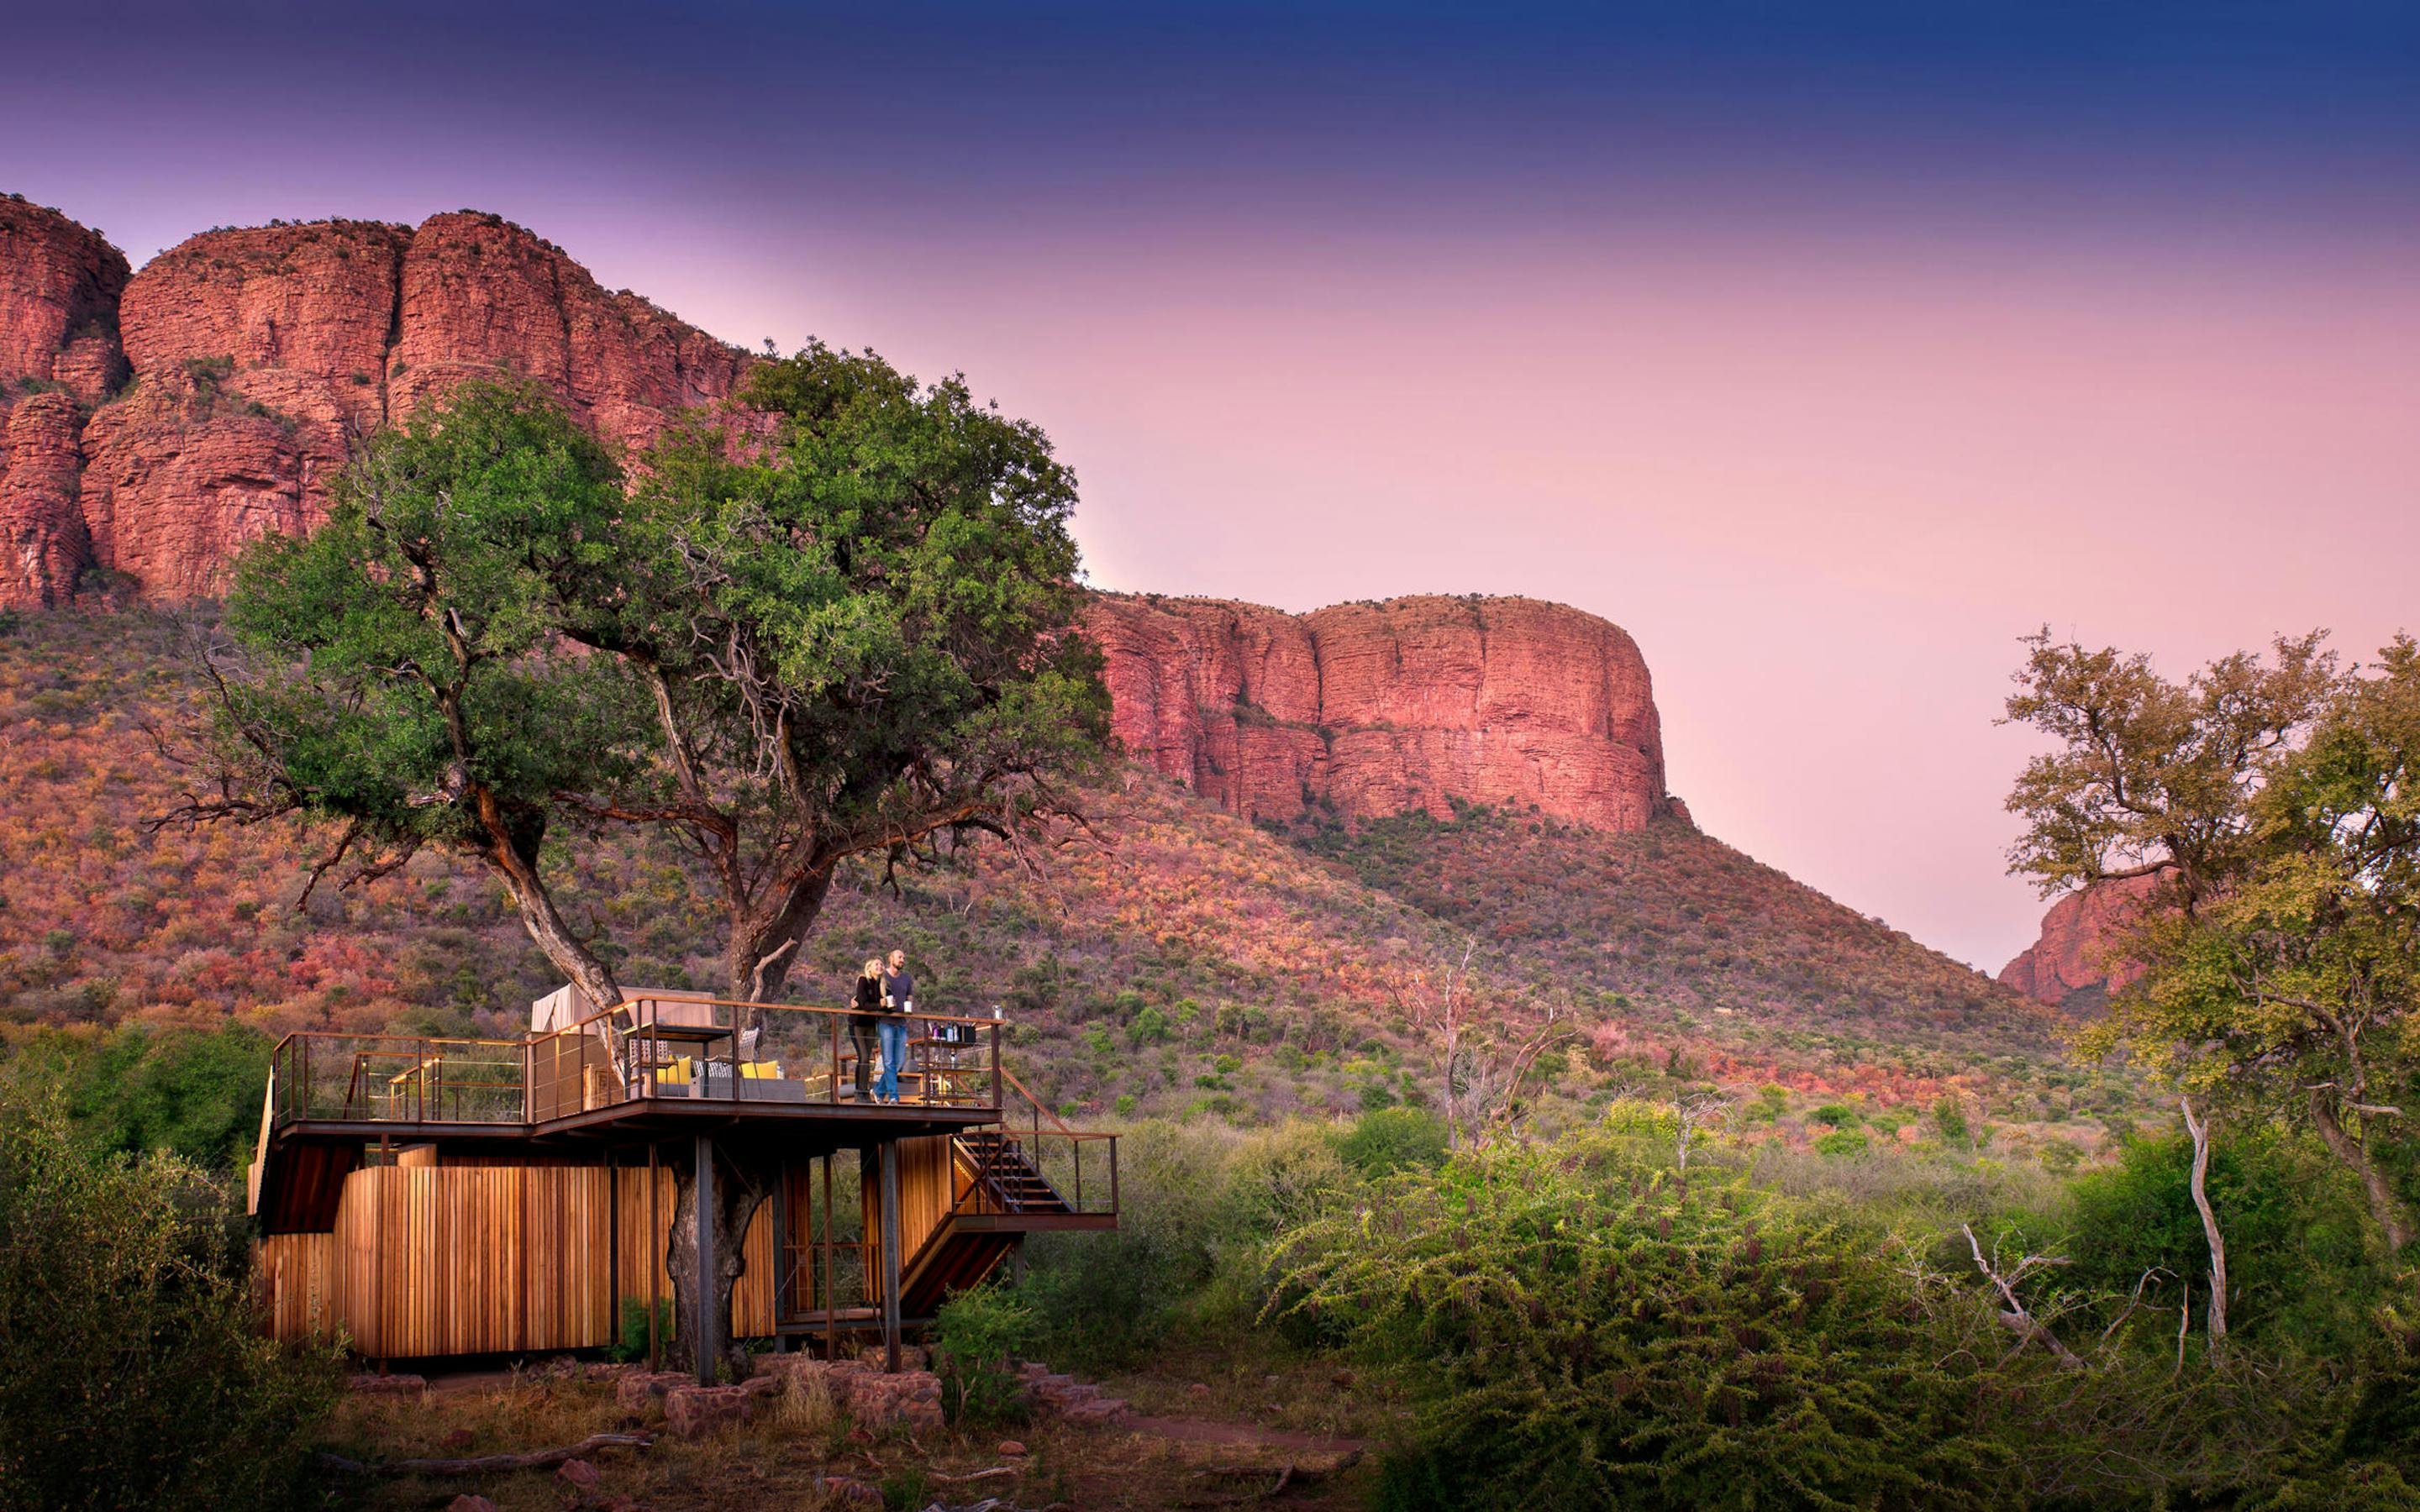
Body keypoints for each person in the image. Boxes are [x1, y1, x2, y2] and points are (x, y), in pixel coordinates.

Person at [878, 948, 916, 1105]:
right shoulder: (882, 976)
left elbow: (909, 996)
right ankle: (894, 1096)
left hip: (901, 1023)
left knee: (899, 1062)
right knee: (888, 1061)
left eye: (904, 958)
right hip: (886, 1022)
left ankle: (879, 1090)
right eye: (899, 957)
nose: (902, 960)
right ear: (891, 958)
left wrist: (909, 1007)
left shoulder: (906, 978)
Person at [850, 958, 885, 1102]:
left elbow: (886, 1004)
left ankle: (865, 1092)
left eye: (881, 964)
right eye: (876, 964)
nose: (880, 966)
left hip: (871, 1025)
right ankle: (860, 1091)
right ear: (869, 968)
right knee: (863, 1056)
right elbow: (864, 1004)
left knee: (867, 1058)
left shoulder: (882, 985)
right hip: (857, 1024)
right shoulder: (863, 980)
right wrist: (880, 1005)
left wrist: (885, 1005)